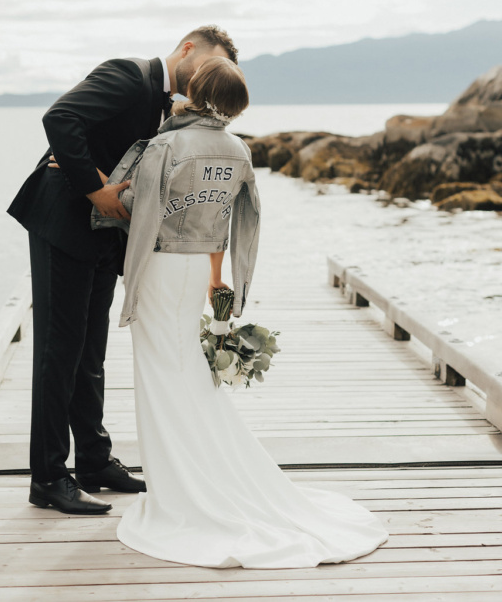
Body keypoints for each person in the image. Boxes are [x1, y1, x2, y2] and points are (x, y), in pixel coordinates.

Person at [84, 55, 390, 568]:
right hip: (193, 273)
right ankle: (201, 469)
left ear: (195, 88)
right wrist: (221, 284)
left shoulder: (167, 144)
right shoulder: (237, 150)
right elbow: (229, 221)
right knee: (185, 371)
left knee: (159, 376)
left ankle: (178, 489)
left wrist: (93, 178)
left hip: (160, 267)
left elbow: (131, 207)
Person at [6, 25, 238, 515]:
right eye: (206, 66)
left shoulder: (168, 107)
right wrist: (94, 186)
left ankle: (94, 461)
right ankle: (48, 477)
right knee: (57, 351)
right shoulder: (129, 76)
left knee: (90, 352)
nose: (205, 79)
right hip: (63, 222)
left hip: (102, 234)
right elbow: (60, 117)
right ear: (188, 49)